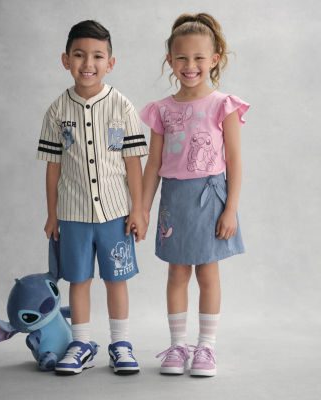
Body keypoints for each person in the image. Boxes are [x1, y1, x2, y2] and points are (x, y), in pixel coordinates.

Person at [140, 13, 250, 377]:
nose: (190, 66)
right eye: (182, 58)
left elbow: (234, 161)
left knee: (207, 272)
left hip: (210, 199)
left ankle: (206, 347)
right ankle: (177, 346)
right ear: (170, 60)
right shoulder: (162, 109)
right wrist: (142, 209)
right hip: (175, 200)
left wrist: (230, 209)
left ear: (214, 59)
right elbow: (153, 163)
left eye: (199, 58)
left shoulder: (223, 105)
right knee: (176, 273)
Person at [36, 20, 148, 375]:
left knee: (116, 279)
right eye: (79, 55)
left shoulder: (122, 106)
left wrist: (138, 210)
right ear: (66, 60)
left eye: (98, 56)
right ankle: (80, 344)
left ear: (110, 63)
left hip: (116, 213)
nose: (88, 63)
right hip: (73, 214)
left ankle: (121, 344)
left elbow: (133, 163)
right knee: (78, 279)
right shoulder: (57, 111)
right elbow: (53, 167)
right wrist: (52, 215)